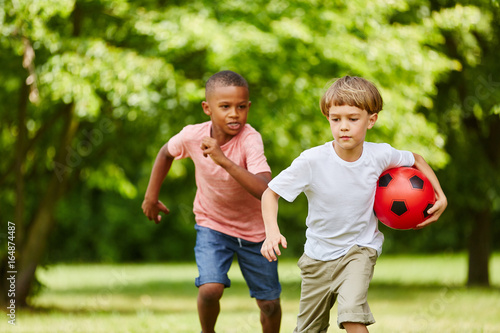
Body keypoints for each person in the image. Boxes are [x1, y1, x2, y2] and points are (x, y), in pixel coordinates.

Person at [260, 75, 447, 333]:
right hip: (317, 257)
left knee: (352, 317)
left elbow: (416, 159)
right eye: (336, 119)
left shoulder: (380, 155)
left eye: (352, 119)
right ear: (328, 118)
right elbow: (270, 194)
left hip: (359, 250)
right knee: (307, 330)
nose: (343, 127)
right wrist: (271, 231)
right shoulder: (312, 161)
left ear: (371, 120)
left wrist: (441, 195)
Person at [142, 70, 282, 333]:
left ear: (248, 107)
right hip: (212, 225)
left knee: (270, 304)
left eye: (241, 107)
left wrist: (224, 160)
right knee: (209, 289)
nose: (234, 113)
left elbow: (264, 189)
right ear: (207, 108)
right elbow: (165, 153)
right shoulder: (192, 135)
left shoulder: (250, 140)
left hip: (257, 232)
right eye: (225, 106)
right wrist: (151, 196)